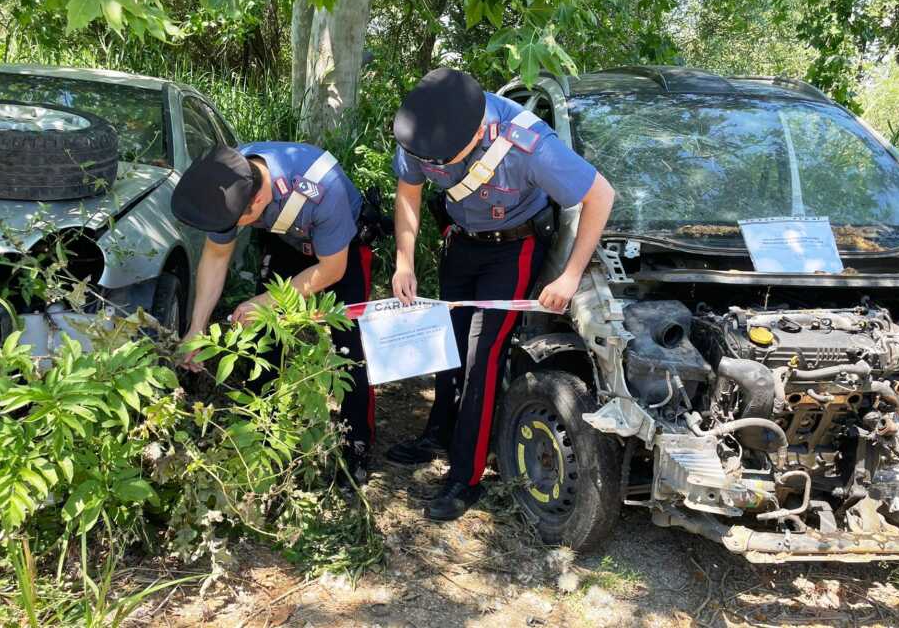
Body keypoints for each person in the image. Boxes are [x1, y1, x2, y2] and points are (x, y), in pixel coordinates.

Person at [387, 68, 615, 521]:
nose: (441, 167)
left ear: (476, 135)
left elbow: (601, 195)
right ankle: (439, 432)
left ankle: (464, 477)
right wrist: (404, 260)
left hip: (513, 249)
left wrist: (570, 276)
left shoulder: (529, 144)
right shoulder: (424, 129)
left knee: (481, 357)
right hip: (463, 241)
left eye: (449, 159)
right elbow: (409, 193)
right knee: (448, 343)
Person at [170, 144, 376, 484]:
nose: (231, 230)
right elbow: (217, 256)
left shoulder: (324, 188)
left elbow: (330, 270)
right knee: (262, 337)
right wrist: (196, 327)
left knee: (350, 348)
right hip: (288, 242)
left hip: (342, 252)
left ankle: (356, 443)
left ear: (258, 203)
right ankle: (261, 429)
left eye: (237, 224)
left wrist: (267, 301)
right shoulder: (227, 181)